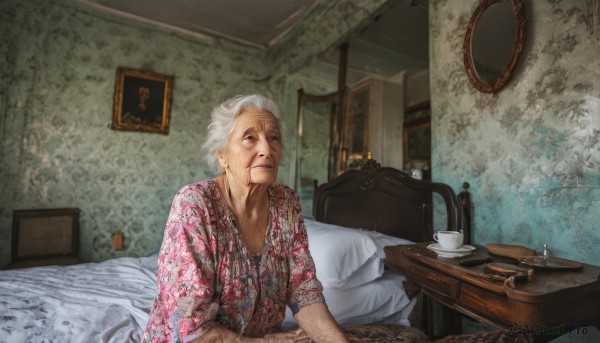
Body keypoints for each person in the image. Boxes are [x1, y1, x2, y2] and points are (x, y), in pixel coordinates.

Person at [143, 94, 350, 343]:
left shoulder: (286, 202)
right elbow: (190, 327)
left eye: (273, 138)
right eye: (250, 138)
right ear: (222, 155)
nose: (267, 149)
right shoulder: (195, 203)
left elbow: (302, 290)